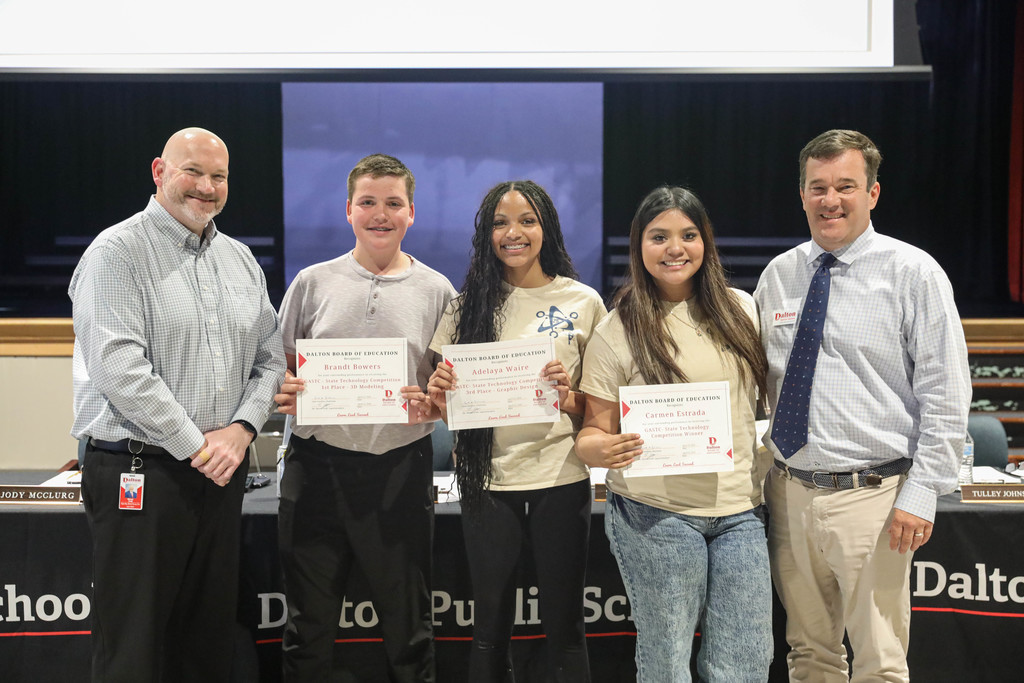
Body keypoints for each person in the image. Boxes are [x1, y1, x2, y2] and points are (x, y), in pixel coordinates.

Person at [754, 129, 971, 681]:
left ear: (873, 193)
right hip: (788, 495)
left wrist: (922, 493)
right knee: (809, 656)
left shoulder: (914, 273)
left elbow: (947, 394)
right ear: (801, 194)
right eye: (818, 187)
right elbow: (753, 380)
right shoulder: (778, 276)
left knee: (879, 663)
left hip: (874, 500)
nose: (831, 200)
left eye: (846, 186)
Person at [69, 127, 286, 681]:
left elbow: (270, 362)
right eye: (193, 171)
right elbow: (119, 368)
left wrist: (239, 432)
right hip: (139, 472)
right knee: (134, 648)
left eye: (219, 176)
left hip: (219, 474)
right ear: (159, 172)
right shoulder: (116, 252)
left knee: (207, 643)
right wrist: (198, 447)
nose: (207, 187)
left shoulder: (240, 260)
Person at [577, 186, 773, 682]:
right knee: (667, 666)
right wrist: (608, 448)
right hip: (654, 514)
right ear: (639, 246)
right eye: (658, 236)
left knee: (746, 664)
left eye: (688, 235)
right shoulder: (617, 328)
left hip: (740, 510)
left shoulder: (742, 309)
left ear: (705, 242)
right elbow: (590, 436)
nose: (674, 248)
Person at [273, 154, 455, 682]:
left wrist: (436, 403)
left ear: (411, 213)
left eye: (393, 204)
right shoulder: (312, 282)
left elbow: (446, 388)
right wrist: (283, 390)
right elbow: (277, 367)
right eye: (369, 202)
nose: (381, 214)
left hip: (399, 469)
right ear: (348, 210)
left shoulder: (439, 291)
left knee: (409, 628)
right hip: (316, 467)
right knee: (308, 627)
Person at [426, 180, 607, 682]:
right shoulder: (465, 307)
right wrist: (442, 395)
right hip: (488, 481)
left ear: (545, 227)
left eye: (527, 220)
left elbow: (598, 407)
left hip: (561, 476)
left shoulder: (583, 301)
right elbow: (449, 412)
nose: (514, 233)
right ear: (486, 234)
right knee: (488, 628)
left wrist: (566, 393)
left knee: (566, 625)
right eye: (501, 223)